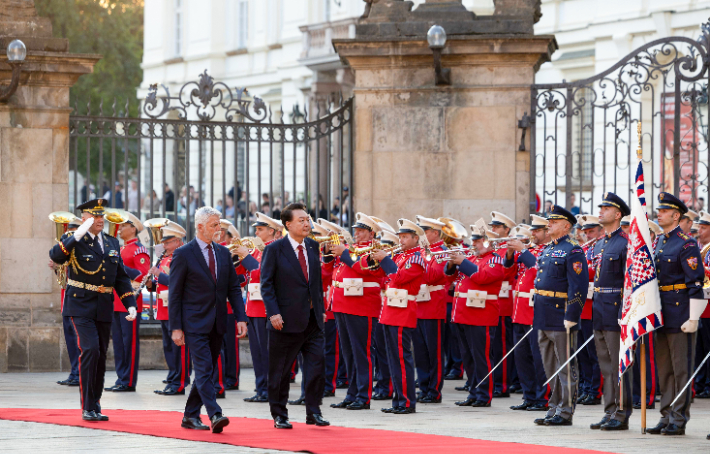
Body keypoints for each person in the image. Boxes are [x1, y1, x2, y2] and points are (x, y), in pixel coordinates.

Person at [48, 199, 138, 421]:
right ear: (85, 219)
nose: (100, 220)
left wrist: (130, 304)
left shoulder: (111, 243)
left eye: (101, 216)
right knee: (90, 349)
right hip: (80, 303)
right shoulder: (73, 240)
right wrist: (77, 234)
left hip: (103, 305)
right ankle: (87, 406)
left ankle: (95, 403)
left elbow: (121, 278)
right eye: (95, 216)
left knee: (100, 356)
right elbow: (56, 256)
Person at [169, 206, 248, 433]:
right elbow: (174, 293)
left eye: (220, 224)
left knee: (207, 371)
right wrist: (176, 327)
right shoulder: (184, 253)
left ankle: (190, 416)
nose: (219, 229)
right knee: (204, 370)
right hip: (193, 323)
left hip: (218, 322)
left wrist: (241, 317)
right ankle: (215, 413)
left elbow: (233, 288)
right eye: (214, 225)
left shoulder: (223, 253)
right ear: (200, 227)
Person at [260, 202, 329, 429]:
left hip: (312, 320)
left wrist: (321, 309)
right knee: (280, 370)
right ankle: (279, 414)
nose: (306, 223)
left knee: (316, 367)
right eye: (301, 220)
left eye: (307, 219)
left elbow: (315, 284)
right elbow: (267, 285)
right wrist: (274, 313)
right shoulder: (274, 249)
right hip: (285, 321)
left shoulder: (313, 247)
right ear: (288, 224)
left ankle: (313, 411)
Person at [646, 193, 707, 436]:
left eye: (663, 211)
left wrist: (693, 317)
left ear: (675, 216)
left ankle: (678, 418)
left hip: (681, 312)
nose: (658, 214)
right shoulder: (660, 241)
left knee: (681, 369)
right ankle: (666, 414)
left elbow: (695, 283)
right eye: (658, 210)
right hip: (662, 312)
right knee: (665, 369)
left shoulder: (686, 243)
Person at [532, 205, 588, 427]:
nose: (549, 224)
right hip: (544, 314)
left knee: (565, 366)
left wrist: (572, 314)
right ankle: (553, 407)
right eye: (549, 221)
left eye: (553, 222)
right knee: (549, 365)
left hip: (561, 313)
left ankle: (565, 411)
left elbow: (579, 286)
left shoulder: (573, 250)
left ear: (566, 226)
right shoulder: (548, 249)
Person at [325, 212, 383, 411]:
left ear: (371, 233)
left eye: (361, 231)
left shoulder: (375, 250)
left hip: (362, 306)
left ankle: (363, 395)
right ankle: (351, 393)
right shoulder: (350, 249)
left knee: (362, 352)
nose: (357, 234)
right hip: (342, 305)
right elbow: (330, 273)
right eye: (356, 231)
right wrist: (328, 255)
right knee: (348, 353)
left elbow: (363, 268)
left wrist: (344, 254)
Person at [370, 218, 426, 414]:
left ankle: (407, 402)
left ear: (415, 238)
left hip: (402, 312)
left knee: (402, 359)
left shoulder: (416, 258)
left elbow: (400, 278)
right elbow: (385, 278)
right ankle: (398, 400)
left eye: (405, 237)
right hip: (390, 311)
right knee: (393, 359)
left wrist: (385, 259)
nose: (401, 240)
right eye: (400, 236)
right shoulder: (401, 256)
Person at [445, 223, 503, 408]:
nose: (474, 244)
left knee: (481, 356)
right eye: (474, 240)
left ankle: (484, 395)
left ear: (489, 243)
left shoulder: (495, 260)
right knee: (468, 356)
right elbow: (450, 278)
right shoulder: (470, 259)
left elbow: (481, 278)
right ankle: (473, 391)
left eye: (478, 241)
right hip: (462, 313)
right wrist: (451, 264)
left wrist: (462, 262)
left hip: (481, 315)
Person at [588, 193, 632, 431]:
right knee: (605, 365)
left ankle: (622, 412)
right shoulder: (601, 243)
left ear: (617, 214)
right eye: (601, 207)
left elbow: (631, 281)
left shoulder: (625, 243)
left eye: (606, 209)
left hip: (616, 307)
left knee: (618, 363)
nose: (600, 211)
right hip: (599, 306)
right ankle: (609, 410)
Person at [504, 217, 551, 412]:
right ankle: (529, 396)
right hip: (520, 310)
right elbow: (507, 270)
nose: (534, 234)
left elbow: (541, 268)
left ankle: (543, 398)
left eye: (538, 230)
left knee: (538, 357)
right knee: (522, 357)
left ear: (548, 232)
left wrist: (522, 250)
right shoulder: (530, 250)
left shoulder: (549, 251)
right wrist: (509, 252)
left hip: (535, 310)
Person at [238, 212, 281, 404]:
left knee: (267, 352)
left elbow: (262, 272)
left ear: (271, 231)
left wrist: (245, 257)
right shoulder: (256, 250)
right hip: (253, 307)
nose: (256, 232)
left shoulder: (274, 249)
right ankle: (261, 388)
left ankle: (270, 389)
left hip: (266, 307)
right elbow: (247, 276)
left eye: (260, 229)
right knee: (256, 352)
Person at [106, 212, 150, 393]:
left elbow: (143, 275)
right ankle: (121, 377)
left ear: (133, 228)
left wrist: (120, 266)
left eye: (123, 226)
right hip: (115, 301)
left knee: (128, 343)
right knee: (118, 342)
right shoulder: (121, 249)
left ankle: (129, 380)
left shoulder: (138, 250)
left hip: (129, 302)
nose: (120, 228)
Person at [413, 215, 453, 403]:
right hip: (418, 304)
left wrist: (417, 263)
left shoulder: (442, 252)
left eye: (425, 232)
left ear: (435, 233)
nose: (421, 235)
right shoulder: (421, 251)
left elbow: (432, 275)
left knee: (433, 351)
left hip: (433, 305)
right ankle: (423, 386)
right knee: (420, 351)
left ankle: (434, 390)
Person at [149, 221, 191, 396]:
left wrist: (159, 275)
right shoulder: (164, 258)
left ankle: (179, 382)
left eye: (167, 242)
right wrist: (150, 283)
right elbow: (159, 285)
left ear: (178, 241)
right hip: (163, 307)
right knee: (168, 346)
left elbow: (176, 283)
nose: (164, 246)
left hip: (175, 308)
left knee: (178, 347)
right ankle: (173, 377)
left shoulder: (181, 258)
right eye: (163, 243)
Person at [488, 212, 520, 397]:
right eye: (492, 227)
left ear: (507, 229)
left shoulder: (509, 249)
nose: (493, 230)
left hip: (504, 301)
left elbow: (504, 271)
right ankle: (496, 381)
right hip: (493, 300)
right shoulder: (494, 248)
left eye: (497, 227)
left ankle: (503, 384)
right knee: (494, 347)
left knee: (502, 347)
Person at [575, 215, 604, 407]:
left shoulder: (602, 247)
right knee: (582, 353)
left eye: (591, 231)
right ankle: (586, 387)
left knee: (594, 353)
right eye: (585, 232)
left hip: (595, 306)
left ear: (601, 231)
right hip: (581, 307)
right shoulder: (584, 249)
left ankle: (595, 390)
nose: (587, 235)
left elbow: (597, 271)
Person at [54, 218, 82, 387]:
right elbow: (63, 281)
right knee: (70, 340)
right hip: (66, 301)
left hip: (76, 302)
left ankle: (79, 373)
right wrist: (58, 268)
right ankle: (74, 372)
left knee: (78, 340)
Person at [694, 211, 710, 399]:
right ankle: (699, 382)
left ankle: (708, 384)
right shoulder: (699, 247)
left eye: (704, 227)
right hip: (700, 304)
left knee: (707, 346)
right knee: (699, 348)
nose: (700, 230)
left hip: (708, 307)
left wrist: (700, 267)